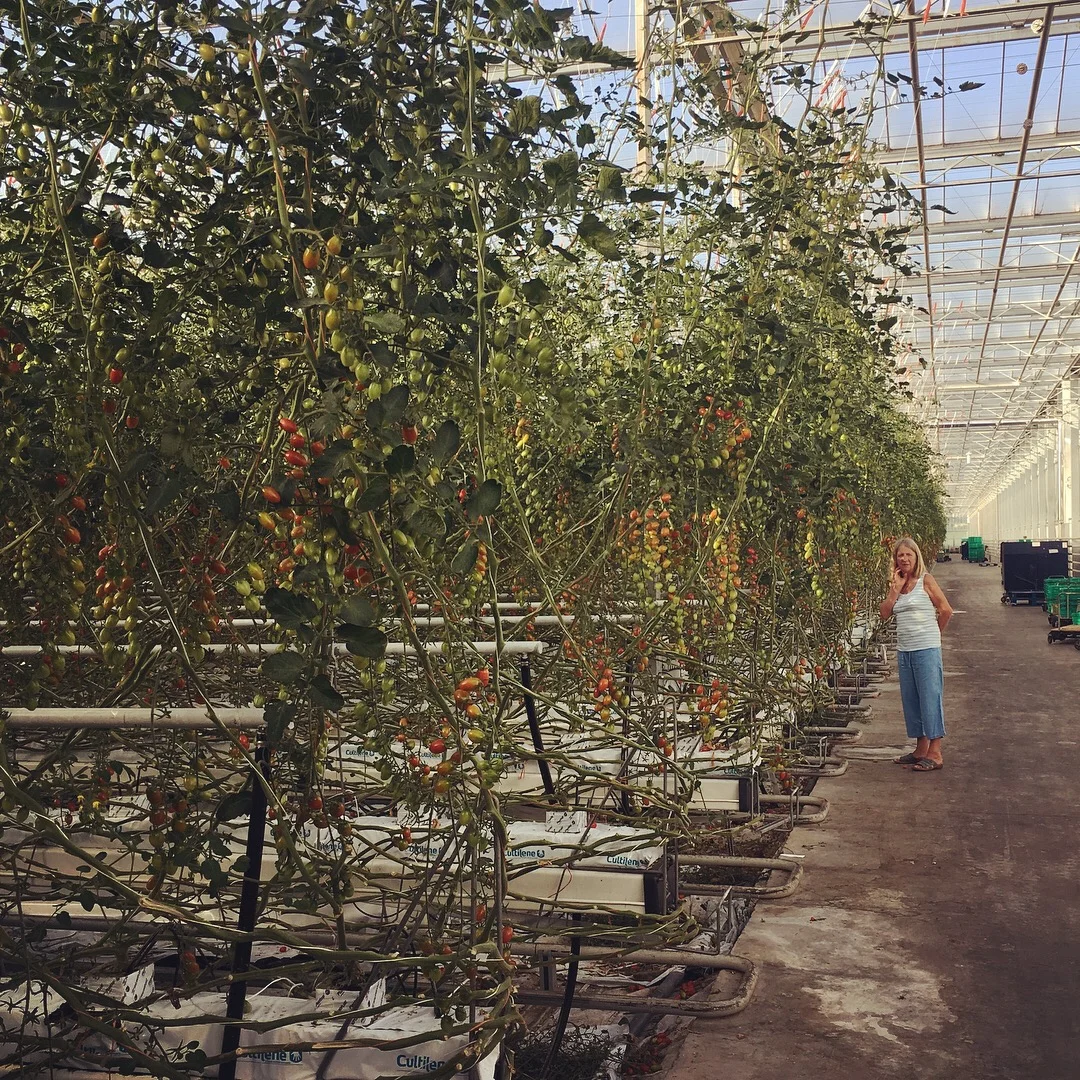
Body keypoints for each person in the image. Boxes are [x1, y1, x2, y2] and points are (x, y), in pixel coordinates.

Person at [879, 537, 953, 772]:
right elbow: (884, 613)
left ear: (916, 557)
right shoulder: (898, 584)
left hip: (926, 649)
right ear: (895, 559)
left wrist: (934, 634)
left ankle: (936, 752)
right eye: (900, 555)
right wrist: (894, 591)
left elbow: (946, 610)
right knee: (912, 700)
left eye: (908, 555)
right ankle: (920, 749)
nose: (904, 558)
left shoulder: (926, 581)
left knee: (930, 697)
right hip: (905, 650)